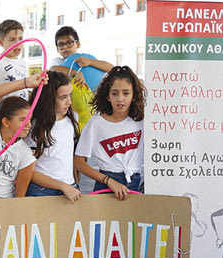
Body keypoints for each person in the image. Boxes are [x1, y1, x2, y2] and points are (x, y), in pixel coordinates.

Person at [74, 66, 146, 200]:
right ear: (107, 96)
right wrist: (108, 181)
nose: (120, 99)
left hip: (134, 181)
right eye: (114, 93)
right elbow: (78, 162)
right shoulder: (96, 123)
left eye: (126, 93)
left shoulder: (141, 120)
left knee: (131, 221)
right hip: (106, 184)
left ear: (134, 95)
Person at [25, 71, 82, 202]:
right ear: (48, 98)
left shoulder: (72, 120)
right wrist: (63, 186)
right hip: (41, 191)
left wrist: (73, 185)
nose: (69, 102)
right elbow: (28, 170)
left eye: (70, 96)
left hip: (70, 188)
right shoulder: (33, 126)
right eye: (63, 97)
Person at [49, 26, 113, 89]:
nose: (65, 47)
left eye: (69, 43)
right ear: (57, 49)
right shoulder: (58, 61)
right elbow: (52, 69)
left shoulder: (86, 59)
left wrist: (90, 62)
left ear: (78, 44)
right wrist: (76, 73)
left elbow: (111, 68)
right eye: (61, 45)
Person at [0, 19, 29, 100]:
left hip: (23, 109)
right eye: (12, 40)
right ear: (1, 43)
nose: (17, 43)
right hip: (7, 111)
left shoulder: (22, 62)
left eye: (20, 39)